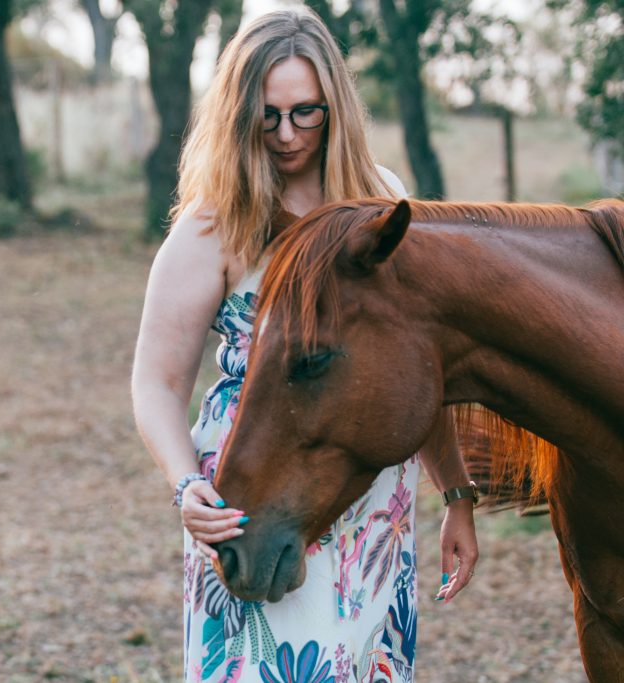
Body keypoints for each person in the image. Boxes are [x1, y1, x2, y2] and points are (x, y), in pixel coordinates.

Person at [131, 8, 479, 682]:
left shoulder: (382, 201)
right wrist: (186, 486)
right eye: (268, 116)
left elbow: (417, 362)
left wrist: (457, 494)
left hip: (367, 496)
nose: (288, 135)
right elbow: (156, 382)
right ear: (239, 114)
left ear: (335, 107)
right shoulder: (215, 222)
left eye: (306, 113)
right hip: (256, 482)